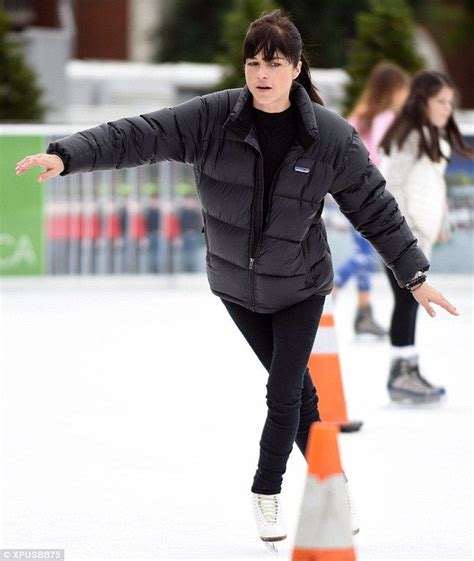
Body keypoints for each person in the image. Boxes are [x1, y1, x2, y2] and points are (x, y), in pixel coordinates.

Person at [15, 9, 459, 548]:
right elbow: (142, 134)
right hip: (236, 288)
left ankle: (265, 491)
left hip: (300, 285)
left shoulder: (331, 139)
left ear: (296, 67)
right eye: (253, 62)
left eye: (273, 63)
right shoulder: (214, 119)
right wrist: (68, 155)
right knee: (301, 395)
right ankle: (334, 481)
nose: (261, 74)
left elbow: (375, 208)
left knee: (282, 391)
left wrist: (413, 273)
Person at [379, 70, 473, 404]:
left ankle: (406, 370)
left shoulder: (432, 137)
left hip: (416, 239)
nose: (448, 108)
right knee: (406, 303)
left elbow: (433, 186)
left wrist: (441, 222)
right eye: (441, 102)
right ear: (423, 101)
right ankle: (402, 374)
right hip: (401, 239)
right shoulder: (411, 138)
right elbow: (392, 188)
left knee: (408, 304)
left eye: (450, 102)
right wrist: (400, 237)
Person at [332, 62, 410, 337]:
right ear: (392, 90)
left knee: (364, 254)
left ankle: (364, 312)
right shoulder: (386, 118)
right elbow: (383, 159)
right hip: (370, 195)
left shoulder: (358, 117)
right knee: (364, 255)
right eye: (403, 89)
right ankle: (332, 288)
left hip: (349, 193)